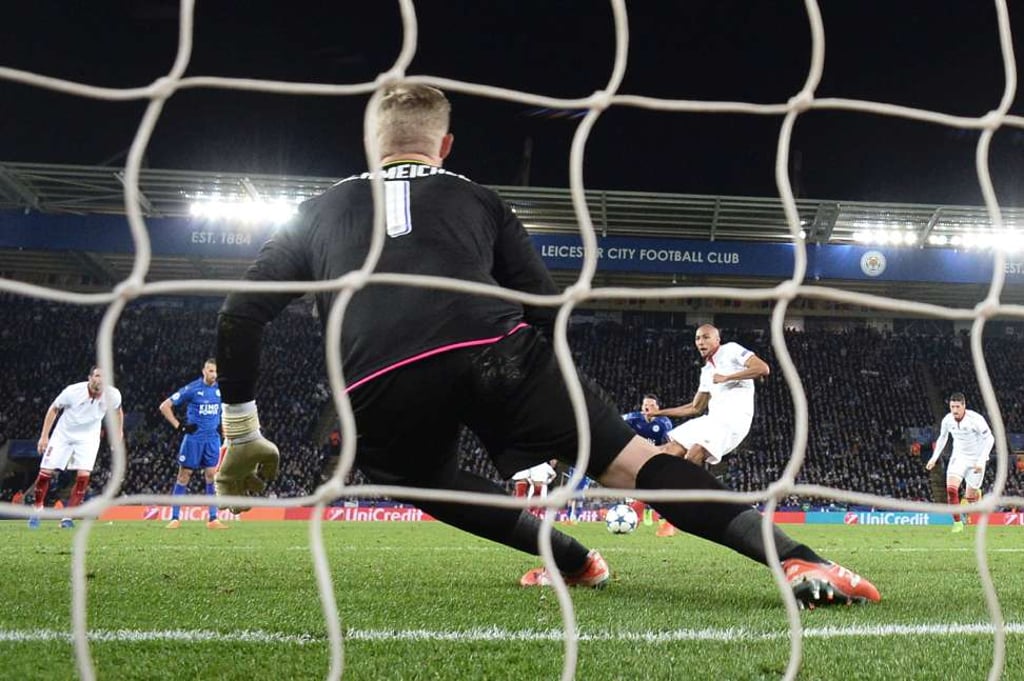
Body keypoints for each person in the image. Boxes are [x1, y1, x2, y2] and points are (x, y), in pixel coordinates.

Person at [213, 83, 879, 607]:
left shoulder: (315, 210)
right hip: (497, 349)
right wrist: (541, 400)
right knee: (632, 463)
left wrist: (242, 430)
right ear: (445, 145)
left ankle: (572, 560)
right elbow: (544, 304)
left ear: (370, 145)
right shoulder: (478, 197)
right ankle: (803, 561)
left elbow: (241, 313)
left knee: (413, 475)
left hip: (378, 379)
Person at [651, 325, 769, 467]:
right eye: (697, 338)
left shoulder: (731, 349)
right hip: (712, 420)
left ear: (717, 339)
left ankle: (694, 481)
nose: (701, 342)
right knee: (669, 450)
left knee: (694, 454)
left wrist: (727, 377)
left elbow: (762, 368)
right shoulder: (706, 372)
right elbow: (695, 407)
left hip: (733, 422)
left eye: (706, 337)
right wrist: (658, 413)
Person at [30, 367, 123, 529]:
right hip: (63, 435)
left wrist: (118, 432)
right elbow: (54, 409)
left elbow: (118, 411)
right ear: (90, 378)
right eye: (97, 375)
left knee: (83, 477)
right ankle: (37, 509)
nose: (100, 379)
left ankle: (67, 518)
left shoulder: (113, 395)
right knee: (45, 474)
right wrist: (44, 436)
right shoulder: (72, 391)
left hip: (88, 438)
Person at [158, 358, 227, 529]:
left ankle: (213, 519)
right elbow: (164, 406)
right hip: (193, 440)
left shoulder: (221, 390)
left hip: (212, 440)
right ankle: (175, 518)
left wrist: (226, 435)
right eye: (211, 371)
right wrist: (179, 427)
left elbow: (224, 413)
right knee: (184, 475)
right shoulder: (192, 389)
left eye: (216, 371)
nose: (214, 374)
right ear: (204, 371)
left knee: (212, 476)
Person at [925, 392, 994, 533]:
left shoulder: (976, 419)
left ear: (964, 406)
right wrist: (934, 457)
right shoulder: (947, 420)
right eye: (952, 407)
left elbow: (990, 439)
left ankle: (975, 495)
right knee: (951, 489)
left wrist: (982, 460)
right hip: (959, 458)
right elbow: (942, 438)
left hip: (976, 460)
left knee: (970, 497)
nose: (955, 410)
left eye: (957, 407)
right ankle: (957, 523)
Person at [622, 394, 674, 534]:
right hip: (636, 457)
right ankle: (637, 513)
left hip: (656, 458)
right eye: (645, 405)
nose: (647, 408)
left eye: (651, 405)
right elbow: (615, 423)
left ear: (657, 408)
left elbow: (671, 445)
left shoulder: (664, 423)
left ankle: (665, 521)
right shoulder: (633, 418)